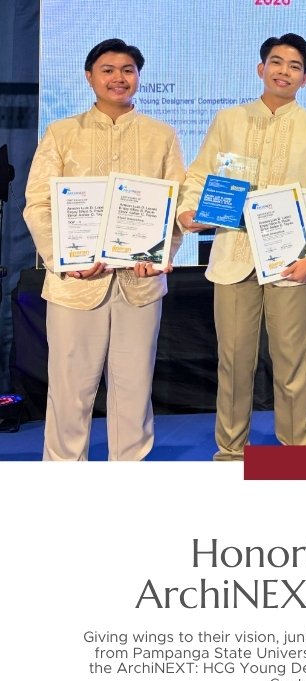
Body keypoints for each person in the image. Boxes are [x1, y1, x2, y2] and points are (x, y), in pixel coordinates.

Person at [177, 34, 306, 460]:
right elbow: (198, 175)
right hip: (233, 258)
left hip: (291, 262)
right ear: (261, 68)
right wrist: (186, 211)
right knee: (234, 363)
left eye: (294, 66)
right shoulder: (229, 120)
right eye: (276, 62)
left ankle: (296, 453)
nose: (283, 71)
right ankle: (232, 451)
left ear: (305, 79)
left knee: (292, 363)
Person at [24, 38, 185, 461]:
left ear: (138, 77)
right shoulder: (61, 133)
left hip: (139, 284)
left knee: (134, 387)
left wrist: (161, 254)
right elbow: (38, 204)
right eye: (108, 70)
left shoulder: (162, 136)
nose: (119, 78)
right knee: (70, 388)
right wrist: (64, 258)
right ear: (89, 77)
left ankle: (127, 474)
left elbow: (175, 204)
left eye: (128, 70)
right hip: (74, 284)